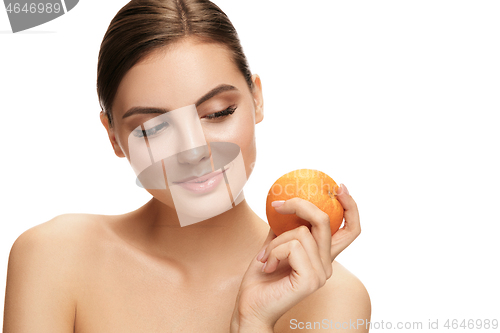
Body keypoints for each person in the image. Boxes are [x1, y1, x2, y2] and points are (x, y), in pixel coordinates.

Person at [3, 0, 370, 332]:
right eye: (153, 128)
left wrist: (253, 322)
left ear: (257, 99)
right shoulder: (54, 257)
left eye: (217, 113)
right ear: (114, 136)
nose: (193, 151)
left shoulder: (332, 299)